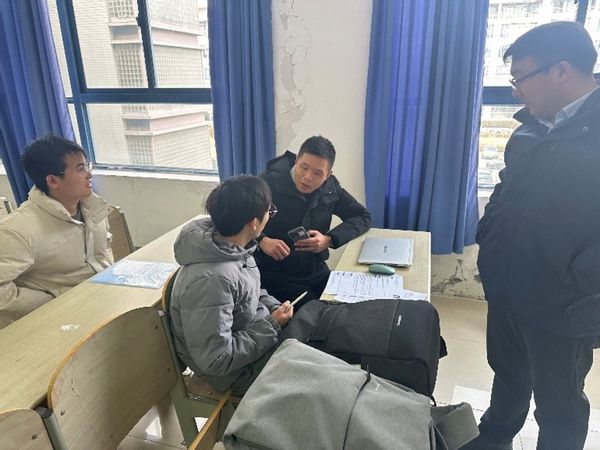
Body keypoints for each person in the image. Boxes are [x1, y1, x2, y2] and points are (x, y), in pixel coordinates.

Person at [465, 22, 600, 450]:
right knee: (508, 375)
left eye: (521, 78)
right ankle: (494, 438)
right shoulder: (529, 130)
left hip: (562, 305)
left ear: (561, 70)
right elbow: (505, 191)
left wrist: (577, 285)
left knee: (559, 405)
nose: (516, 91)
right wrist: (489, 241)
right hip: (508, 287)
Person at [169, 175, 294, 395]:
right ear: (253, 223)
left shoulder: (234, 247)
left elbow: (249, 290)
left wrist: (273, 307)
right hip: (235, 374)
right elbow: (216, 359)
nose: (269, 216)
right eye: (269, 211)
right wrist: (271, 326)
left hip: (253, 342)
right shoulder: (211, 281)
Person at [0, 135, 113, 329]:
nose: (89, 174)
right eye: (80, 169)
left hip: (102, 302)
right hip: (62, 322)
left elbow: (104, 252)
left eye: (87, 165)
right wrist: (52, 302)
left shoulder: (93, 207)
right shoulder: (17, 230)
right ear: (53, 181)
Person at [256, 135, 371, 307]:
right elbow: (235, 221)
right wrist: (262, 240)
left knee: (349, 305)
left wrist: (328, 239)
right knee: (317, 314)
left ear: (328, 175)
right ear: (297, 160)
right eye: (304, 167)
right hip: (276, 275)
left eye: (317, 173)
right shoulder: (267, 183)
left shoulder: (331, 188)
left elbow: (362, 216)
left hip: (315, 270)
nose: (308, 177)